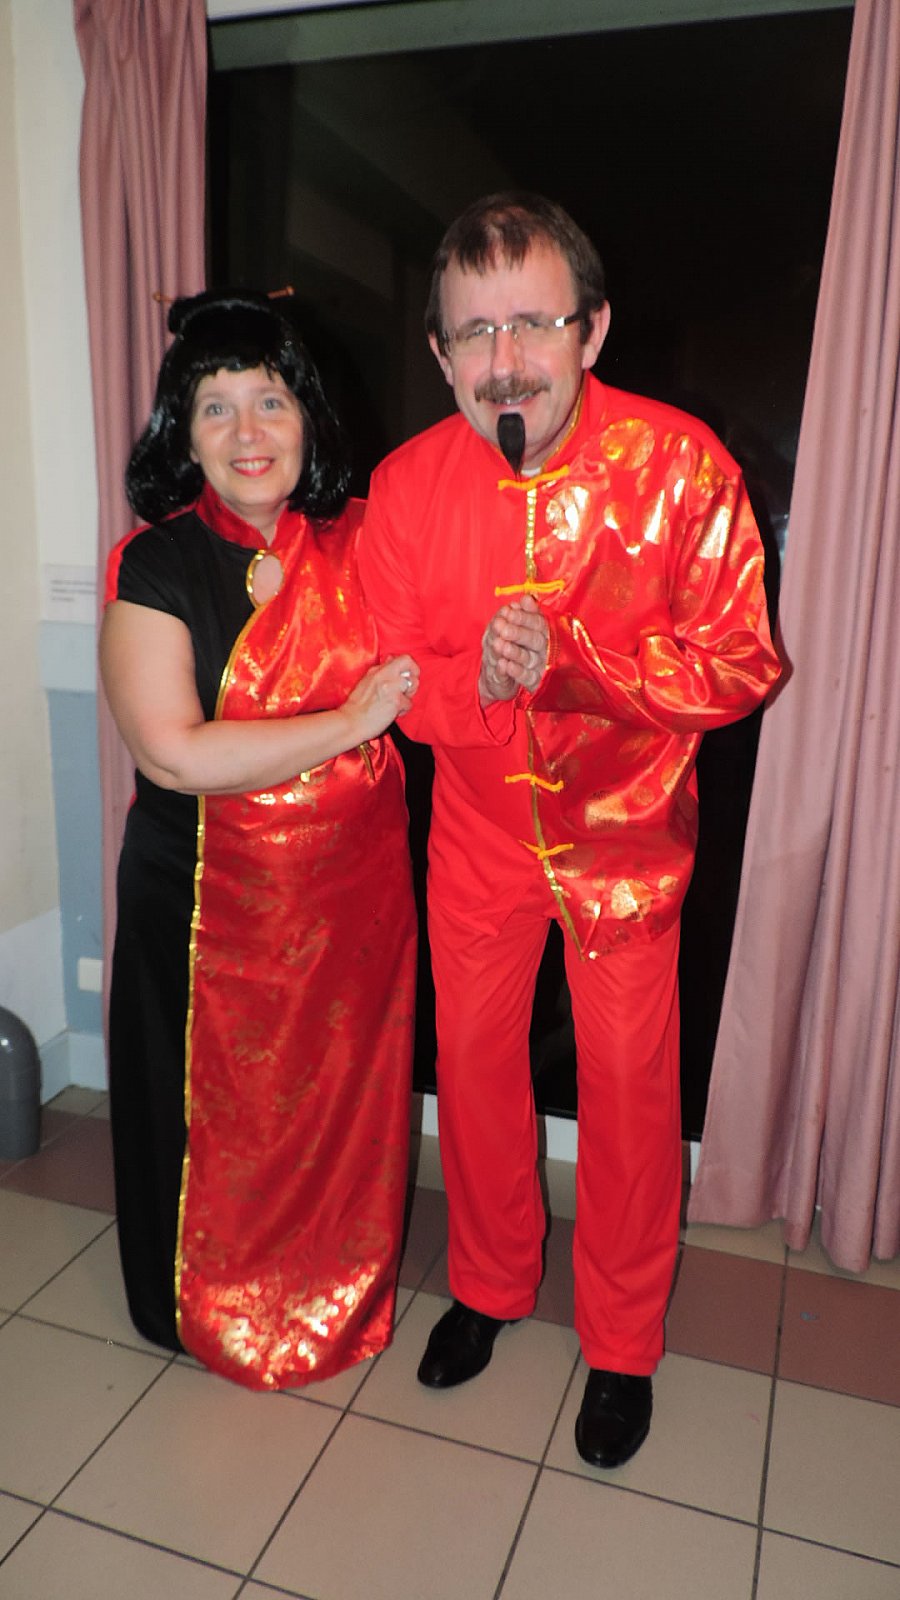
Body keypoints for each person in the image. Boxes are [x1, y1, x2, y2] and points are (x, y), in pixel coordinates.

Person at [358, 193, 781, 1467]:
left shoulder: (683, 466)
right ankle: (489, 1282)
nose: (505, 361)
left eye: (533, 323)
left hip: (627, 843)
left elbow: (741, 664)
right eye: (474, 331)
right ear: (439, 352)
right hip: (478, 840)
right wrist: (478, 685)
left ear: (591, 331)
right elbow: (387, 679)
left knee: (633, 1098)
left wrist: (579, 664)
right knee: (478, 1073)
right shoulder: (405, 487)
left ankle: (624, 1340)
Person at [101, 289, 419, 1390]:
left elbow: (443, 649)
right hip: (201, 908)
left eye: (270, 401)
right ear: (181, 437)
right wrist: (350, 723)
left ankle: (333, 1281)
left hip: (348, 908)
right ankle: (191, 1302)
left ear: (308, 419)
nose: (248, 432)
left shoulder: (367, 543)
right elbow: (173, 755)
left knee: (337, 1104)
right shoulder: (155, 564)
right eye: (216, 408)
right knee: (195, 1109)